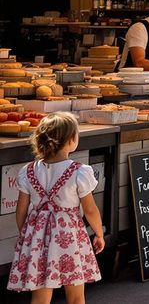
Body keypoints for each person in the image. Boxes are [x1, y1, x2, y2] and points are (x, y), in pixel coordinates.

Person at [7, 113, 104, 301]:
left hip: (37, 240)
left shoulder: (27, 172)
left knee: (40, 298)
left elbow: (21, 211)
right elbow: (90, 210)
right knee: (75, 296)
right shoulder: (79, 172)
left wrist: (27, 236)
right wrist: (99, 234)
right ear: (71, 140)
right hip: (70, 239)